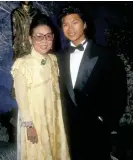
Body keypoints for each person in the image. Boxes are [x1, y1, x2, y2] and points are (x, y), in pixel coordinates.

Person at [57, 5, 127, 160]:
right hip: (68, 132)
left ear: (85, 24)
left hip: (96, 131)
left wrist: (105, 121)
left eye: (74, 22)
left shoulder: (106, 56)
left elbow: (119, 93)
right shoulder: (57, 58)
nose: (70, 28)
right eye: (65, 24)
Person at [11, 14, 70, 160]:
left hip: (54, 117)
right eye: (39, 36)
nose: (45, 41)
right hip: (35, 121)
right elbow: (21, 97)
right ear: (30, 39)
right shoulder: (22, 64)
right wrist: (29, 126)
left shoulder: (53, 60)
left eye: (48, 36)